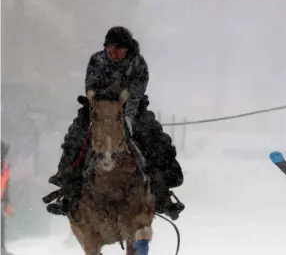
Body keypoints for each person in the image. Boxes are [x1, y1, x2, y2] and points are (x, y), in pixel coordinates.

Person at [46, 26, 185, 220]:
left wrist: (124, 114)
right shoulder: (97, 60)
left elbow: (137, 90)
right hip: (98, 109)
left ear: (127, 49)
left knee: (155, 138)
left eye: (118, 48)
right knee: (75, 137)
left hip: (131, 110)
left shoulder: (137, 63)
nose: (113, 52)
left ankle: (162, 195)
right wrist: (102, 108)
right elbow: (91, 86)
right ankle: (68, 192)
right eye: (110, 47)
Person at [1, 140, 13, 255]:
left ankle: (1, 247)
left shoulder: (4, 167)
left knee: (1, 223)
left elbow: (5, 186)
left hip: (1, 199)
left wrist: (6, 202)